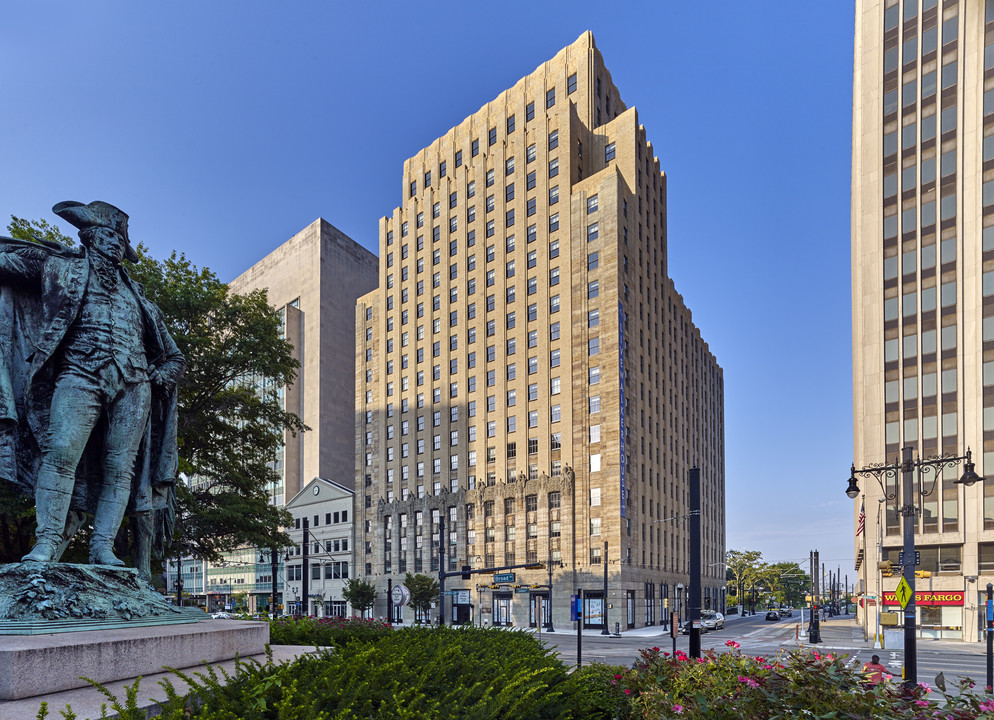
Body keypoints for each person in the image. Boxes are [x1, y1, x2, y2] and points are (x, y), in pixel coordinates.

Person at [0, 200, 184, 570]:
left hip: (134, 385)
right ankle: (48, 541)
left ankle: (102, 547)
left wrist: (158, 376)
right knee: (61, 454)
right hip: (78, 373)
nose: (116, 243)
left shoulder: (143, 301)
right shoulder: (58, 267)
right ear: (88, 237)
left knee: (121, 469)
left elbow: (174, 357)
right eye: (108, 235)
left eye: (121, 239)